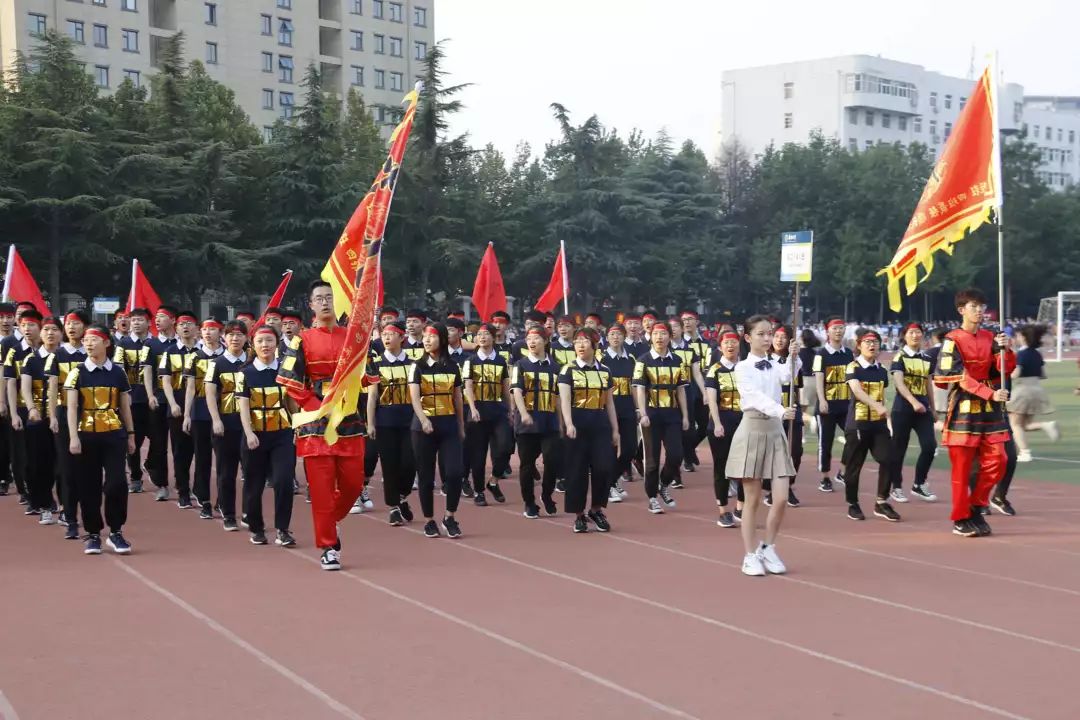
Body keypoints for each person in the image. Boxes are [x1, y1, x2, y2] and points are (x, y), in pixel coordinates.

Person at [278, 280, 371, 570]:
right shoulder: (301, 339)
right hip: (316, 424)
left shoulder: (353, 337)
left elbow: (370, 376)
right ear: (311, 305)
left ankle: (331, 520)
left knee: (354, 484)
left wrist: (359, 377)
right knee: (320, 489)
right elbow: (289, 380)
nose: (325, 302)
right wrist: (315, 406)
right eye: (319, 298)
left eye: (330, 297)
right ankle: (329, 546)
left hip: (349, 420)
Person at [933, 288, 1016, 538]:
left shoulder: (991, 337)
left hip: (989, 411)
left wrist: (1006, 350)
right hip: (963, 408)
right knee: (962, 468)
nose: (979, 311)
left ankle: (977, 506)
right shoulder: (952, 339)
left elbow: (1003, 370)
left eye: (981, 306)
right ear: (962, 310)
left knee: (999, 460)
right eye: (973, 306)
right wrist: (990, 393)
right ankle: (960, 518)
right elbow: (954, 376)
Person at [726, 315, 799, 577]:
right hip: (753, 429)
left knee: (780, 498)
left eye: (770, 334)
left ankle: (768, 547)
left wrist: (793, 355)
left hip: (775, 431)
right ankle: (749, 555)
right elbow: (753, 396)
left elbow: (788, 376)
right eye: (761, 334)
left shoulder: (776, 363)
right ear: (748, 338)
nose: (768, 338)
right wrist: (780, 410)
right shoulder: (742, 368)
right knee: (752, 499)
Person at [64, 324, 137, 556]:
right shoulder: (77, 372)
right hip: (86, 435)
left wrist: (131, 434)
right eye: (85, 340)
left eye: (93, 339)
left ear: (106, 343)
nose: (87, 343)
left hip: (114, 434)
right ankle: (93, 533)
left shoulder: (118, 372)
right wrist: (73, 437)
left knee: (116, 482)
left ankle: (116, 531)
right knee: (88, 484)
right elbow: (72, 407)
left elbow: (125, 405)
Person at [236, 324, 297, 548]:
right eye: (261, 341)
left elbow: (291, 402)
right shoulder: (245, 373)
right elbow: (243, 407)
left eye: (270, 341)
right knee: (254, 484)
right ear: (253, 344)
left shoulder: (285, 370)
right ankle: (257, 528)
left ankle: (283, 529)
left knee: (283, 482)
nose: (265, 346)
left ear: (277, 343)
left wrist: (297, 425)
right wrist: (249, 432)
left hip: (282, 434)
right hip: (255, 436)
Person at [408, 322, 466, 539]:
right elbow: (414, 397)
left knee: (454, 472)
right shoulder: (418, 366)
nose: (426, 340)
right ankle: (429, 520)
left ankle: (450, 516)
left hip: (448, 424)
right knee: (426, 475)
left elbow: (457, 398)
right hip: (423, 428)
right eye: (425, 337)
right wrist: (423, 420)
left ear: (441, 339)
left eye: (431, 336)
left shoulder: (453, 367)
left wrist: (460, 425)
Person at [558, 327, 619, 533]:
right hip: (577, 423)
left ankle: (596, 509)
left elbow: (609, 403)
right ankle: (578, 515)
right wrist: (568, 423)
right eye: (577, 342)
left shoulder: (605, 371)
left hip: (600, 423)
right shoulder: (568, 370)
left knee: (604, 467)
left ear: (594, 345)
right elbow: (564, 400)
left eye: (585, 342)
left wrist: (615, 430)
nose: (580, 346)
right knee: (577, 472)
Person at [842, 329, 901, 522]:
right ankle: (853, 503)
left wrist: (887, 419)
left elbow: (882, 396)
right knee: (854, 465)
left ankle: (881, 501)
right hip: (858, 424)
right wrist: (876, 405)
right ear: (859, 345)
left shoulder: (882, 370)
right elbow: (857, 391)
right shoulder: (852, 367)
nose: (872, 345)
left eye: (875, 341)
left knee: (889, 459)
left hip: (878, 424)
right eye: (867, 342)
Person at [632, 321, 688, 514]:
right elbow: (639, 389)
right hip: (652, 414)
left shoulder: (678, 361)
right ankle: (652, 498)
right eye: (656, 333)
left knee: (676, 455)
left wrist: (686, 416)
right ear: (651, 336)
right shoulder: (643, 360)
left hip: (672, 414)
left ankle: (664, 485)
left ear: (669, 336)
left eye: (663, 334)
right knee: (652, 459)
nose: (659, 337)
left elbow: (681, 390)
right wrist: (643, 413)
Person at [366, 320, 417, 527]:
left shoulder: (413, 365)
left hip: (410, 422)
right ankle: (394, 507)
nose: (386, 338)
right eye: (384, 335)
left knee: (409, 463)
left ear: (402, 338)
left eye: (391, 334)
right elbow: (372, 397)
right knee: (389, 465)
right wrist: (371, 423)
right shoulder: (376, 365)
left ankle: (403, 496)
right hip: (385, 422)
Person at [8, 310, 56, 520]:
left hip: (56, 412)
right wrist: (12, 411)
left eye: (32, 325)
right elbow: (11, 383)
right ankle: (33, 496)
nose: (27, 329)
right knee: (28, 458)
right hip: (28, 411)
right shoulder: (17, 353)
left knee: (54, 459)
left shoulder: (59, 355)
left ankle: (53, 500)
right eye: (23, 325)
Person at [203, 320, 248, 532]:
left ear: (246, 338)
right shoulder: (217, 364)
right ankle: (228, 514)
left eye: (239, 335)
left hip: (250, 426)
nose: (235, 339)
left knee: (252, 472)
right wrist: (216, 420)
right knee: (226, 472)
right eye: (231, 335)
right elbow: (210, 394)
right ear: (225, 338)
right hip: (226, 424)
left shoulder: (252, 361)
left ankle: (249, 512)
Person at [512, 326, 561, 518]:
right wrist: (523, 413)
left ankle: (547, 495)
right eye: (529, 339)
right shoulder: (520, 365)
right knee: (527, 464)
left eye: (536, 338)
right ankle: (529, 502)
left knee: (552, 460)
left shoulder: (556, 367)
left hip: (550, 422)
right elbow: (516, 391)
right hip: (527, 424)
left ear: (546, 341)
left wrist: (563, 420)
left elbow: (559, 396)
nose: (532, 342)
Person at [462, 322, 512, 507]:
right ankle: (479, 491)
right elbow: (468, 385)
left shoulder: (500, 361)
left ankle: (493, 481)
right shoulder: (471, 361)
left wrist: (511, 408)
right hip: (477, 412)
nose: (482, 337)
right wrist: (473, 408)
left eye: (486, 334)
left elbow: (506, 388)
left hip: (498, 410)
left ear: (493, 337)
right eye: (479, 335)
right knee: (478, 454)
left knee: (505, 447)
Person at [155, 311, 200, 508]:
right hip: (177, 405)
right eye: (182, 324)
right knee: (180, 450)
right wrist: (172, 403)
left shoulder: (203, 352)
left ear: (197, 328)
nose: (185, 327)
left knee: (202, 451)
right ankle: (183, 490)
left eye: (189, 323)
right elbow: (165, 381)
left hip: (201, 405)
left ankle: (200, 490)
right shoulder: (170, 352)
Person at [889, 323, 938, 503]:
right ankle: (896, 487)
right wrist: (913, 401)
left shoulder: (926, 358)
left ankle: (919, 483)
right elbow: (899, 383)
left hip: (923, 409)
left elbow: (928, 384)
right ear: (905, 336)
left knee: (930, 446)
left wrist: (932, 408)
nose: (915, 335)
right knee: (898, 448)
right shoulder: (899, 357)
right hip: (903, 409)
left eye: (918, 332)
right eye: (911, 332)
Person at [183, 318, 225, 519]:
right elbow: (190, 388)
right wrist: (186, 415)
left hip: (224, 410)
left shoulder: (227, 356)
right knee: (202, 457)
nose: (208, 333)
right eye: (205, 330)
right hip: (200, 411)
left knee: (225, 458)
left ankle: (223, 500)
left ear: (220, 332)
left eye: (213, 329)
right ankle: (204, 499)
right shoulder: (194, 357)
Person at [53, 311, 89, 538]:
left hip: (92, 416)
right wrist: (53, 416)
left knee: (87, 469)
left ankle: (89, 517)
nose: (72, 328)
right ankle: (70, 517)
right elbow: (52, 387)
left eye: (76, 324)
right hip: (65, 413)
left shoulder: (93, 354)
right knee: (67, 468)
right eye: (68, 324)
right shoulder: (58, 355)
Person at [1007, 324, 1060, 463]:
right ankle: (1046, 425)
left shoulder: (1021, 354)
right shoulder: (1037, 353)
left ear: (1024, 338)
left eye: (1018, 335)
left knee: (1015, 424)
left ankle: (1025, 452)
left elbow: (1016, 373)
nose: (1016, 338)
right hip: (1037, 389)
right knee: (1024, 425)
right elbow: (1043, 374)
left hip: (1023, 390)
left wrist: (1006, 375)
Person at [705, 330, 742, 528]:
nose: (730, 346)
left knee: (745, 466)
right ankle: (723, 510)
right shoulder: (715, 370)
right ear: (720, 347)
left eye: (734, 342)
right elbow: (711, 399)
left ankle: (741, 507)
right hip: (722, 421)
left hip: (744, 421)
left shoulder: (746, 368)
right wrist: (717, 423)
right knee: (722, 467)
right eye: (726, 342)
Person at [114, 307, 152, 494]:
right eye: (133, 320)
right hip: (133, 398)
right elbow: (119, 368)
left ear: (149, 323)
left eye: (140, 320)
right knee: (134, 440)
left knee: (158, 439)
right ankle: (135, 476)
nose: (136, 323)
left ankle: (152, 464)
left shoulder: (155, 344)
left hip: (155, 399)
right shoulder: (124, 344)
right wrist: (124, 393)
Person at [142, 305, 178, 501]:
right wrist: (150, 395)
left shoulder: (182, 345)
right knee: (159, 442)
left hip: (178, 401)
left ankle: (181, 484)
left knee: (179, 444)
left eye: (162, 317)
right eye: (156, 317)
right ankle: (162, 484)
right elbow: (147, 371)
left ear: (173, 320)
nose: (157, 321)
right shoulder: (151, 344)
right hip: (159, 399)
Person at [813, 316, 853, 493]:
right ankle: (825, 477)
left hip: (846, 405)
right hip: (827, 406)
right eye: (835, 328)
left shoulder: (849, 353)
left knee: (854, 437)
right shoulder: (820, 354)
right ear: (827, 332)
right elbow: (819, 378)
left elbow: (852, 377)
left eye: (841, 328)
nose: (838, 331)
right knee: (825, 442)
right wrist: (822, 400)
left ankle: (843, 471)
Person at [768, 326, 803, 508]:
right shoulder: (766, 361)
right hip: (773, 412)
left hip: (792, 411)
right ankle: (773, 487)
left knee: (795, 450)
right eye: (776, 336)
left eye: (783, 337)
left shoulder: (795, 361)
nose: (779, 340)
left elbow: (799, 386)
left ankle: (786, 485)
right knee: (773, 452)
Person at [604, 323, 636, 500]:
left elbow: (634, 386)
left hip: (628, 408)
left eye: (619, 334)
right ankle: (608, 486)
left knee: (630, 449)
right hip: (608, 409)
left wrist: (639, 408)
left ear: (624, 337)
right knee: (610, 449)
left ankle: (612, 479)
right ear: (607, 337)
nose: (615, 337)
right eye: (612, 334)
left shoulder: (630, 359)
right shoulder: (601, 359)